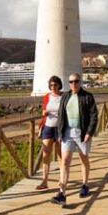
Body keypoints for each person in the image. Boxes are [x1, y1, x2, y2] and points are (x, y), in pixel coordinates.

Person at [51, 73, 98, 206]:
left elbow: (94, 115)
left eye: (76, 81)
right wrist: (60, 133)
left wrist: (89, 132)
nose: (73, 84)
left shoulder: (88, 96)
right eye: (71, 82)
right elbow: (61, 115)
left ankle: (85, 184)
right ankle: (62, 193)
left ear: (80, 82)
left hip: (82, 133)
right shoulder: (65, 96)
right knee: (65, 161)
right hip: (67, 133)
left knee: (84, 159)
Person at [36, 75, 63, 190]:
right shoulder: (47, 97)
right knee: (46, 154)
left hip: (59, 128)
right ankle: (44, 181)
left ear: (59, 85)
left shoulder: (64, 96)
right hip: (48, 127)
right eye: (51, 85)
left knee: (60, 155)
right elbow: (44, 108)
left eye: (55, 84)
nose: (53, 87)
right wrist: (44, 113)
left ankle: (62, 179)